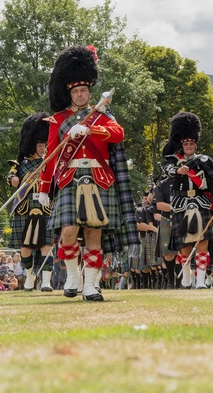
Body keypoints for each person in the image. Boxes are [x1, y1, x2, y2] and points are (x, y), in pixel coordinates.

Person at [38, 45, 139, 301]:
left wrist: (89, 131)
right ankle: (73, 275)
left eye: (84, 90)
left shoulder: (101, 115)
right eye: (76, 91)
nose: (81, 95)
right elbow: (50, 157)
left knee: (95, 234)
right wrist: (43, 188)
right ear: (69, 93)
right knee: (68, 232)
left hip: (99, 179)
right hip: (69, 179)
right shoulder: (58, 120)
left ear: (89, 92)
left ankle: (91, 285)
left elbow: (119, 133)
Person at [163, 111, 213, 289]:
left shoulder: (205, 161)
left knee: (202, 242)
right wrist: (177, 171)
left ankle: (200, 281)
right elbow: (167, 170)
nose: (189, 145)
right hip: (181, 205)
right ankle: (187, 279)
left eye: (192, 142)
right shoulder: (173, 160)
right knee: (184, 246)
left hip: (201, 203)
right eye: (186, 142)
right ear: (181, 144)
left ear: (196, 144)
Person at [7, 113, 54, 291]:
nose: (43, 148)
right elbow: (10, 175)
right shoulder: (20, 164)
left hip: (45, 207)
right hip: (24, 208)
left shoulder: (50, 162)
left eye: (44, 145)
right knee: (25, 247)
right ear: (32, 144)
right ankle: (30, 276)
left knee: (46, 245)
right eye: (40, 145)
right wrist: (13, 180)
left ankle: (47, 281)